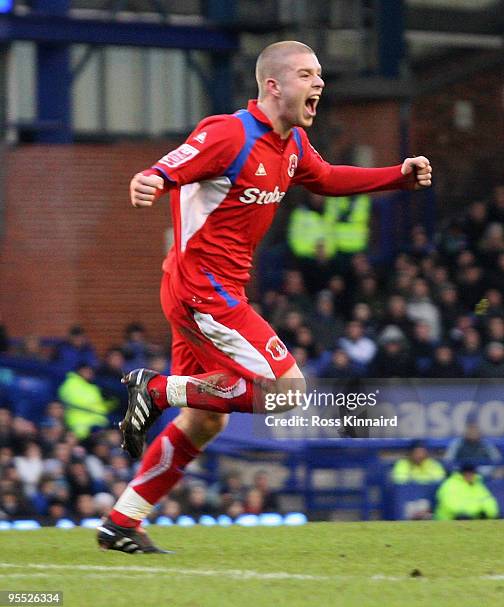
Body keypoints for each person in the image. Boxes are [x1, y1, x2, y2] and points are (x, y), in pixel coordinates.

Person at [97, 40, 432, 553]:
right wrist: (149, 180)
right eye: (306, 74)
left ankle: (122, 523)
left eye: (320, 74)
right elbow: (170, 167)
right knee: (287, 391)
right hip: (201, 288)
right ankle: (157, 390)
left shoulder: (292, 143)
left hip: (210, 289)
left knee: (206, 420)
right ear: (273, 86)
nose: (319, 83)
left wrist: (396, 176)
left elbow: (326, 179)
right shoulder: (228, 132)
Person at [435, 464, 499, 520]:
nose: (469, 475)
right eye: (466, 473)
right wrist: (478, 510)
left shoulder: (478, 485)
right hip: (450, 520)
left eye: (472, 473)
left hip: (474, 519)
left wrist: (488, 512)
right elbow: (452, 506)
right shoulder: (450, 484)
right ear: (461, 474)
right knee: (463, 517)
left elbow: (490, 502)